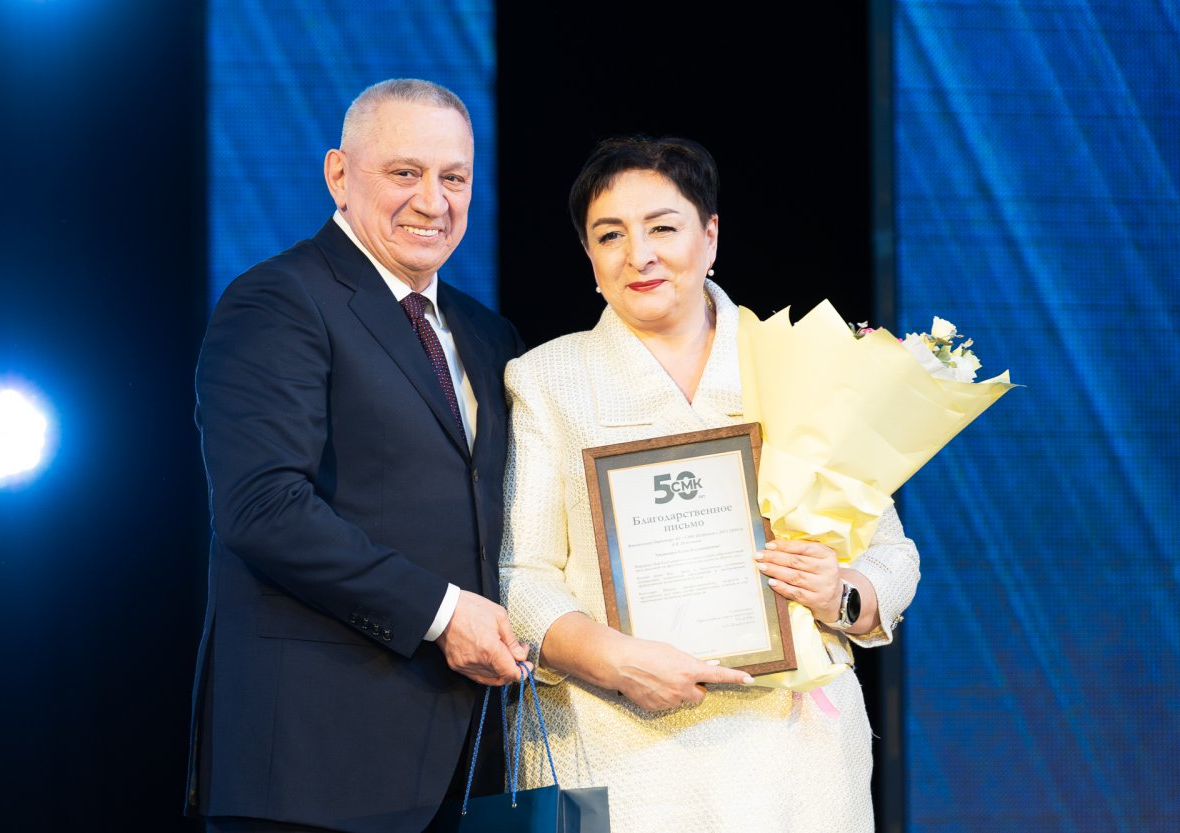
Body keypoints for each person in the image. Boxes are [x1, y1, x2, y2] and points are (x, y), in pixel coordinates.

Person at [499, 136, 921, 833]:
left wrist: (841, 592)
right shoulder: (548, 380)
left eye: (663, 228)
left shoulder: (795, 362)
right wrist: (617, 661)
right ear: (589, 256)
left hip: (796, 756)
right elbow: (521, 576)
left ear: (711, 234)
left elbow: (892, 552)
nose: (639, 254)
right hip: (620, 747)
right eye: (610, 235)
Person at [185, 78, 529, 833]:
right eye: (405, 172)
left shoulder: (487, 334)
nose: (432, 201)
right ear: (339, 174)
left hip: (467, 764)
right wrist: (444, 614)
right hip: (315, 767)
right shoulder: (278, 300)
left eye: (454, 178)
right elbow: (263, 508)